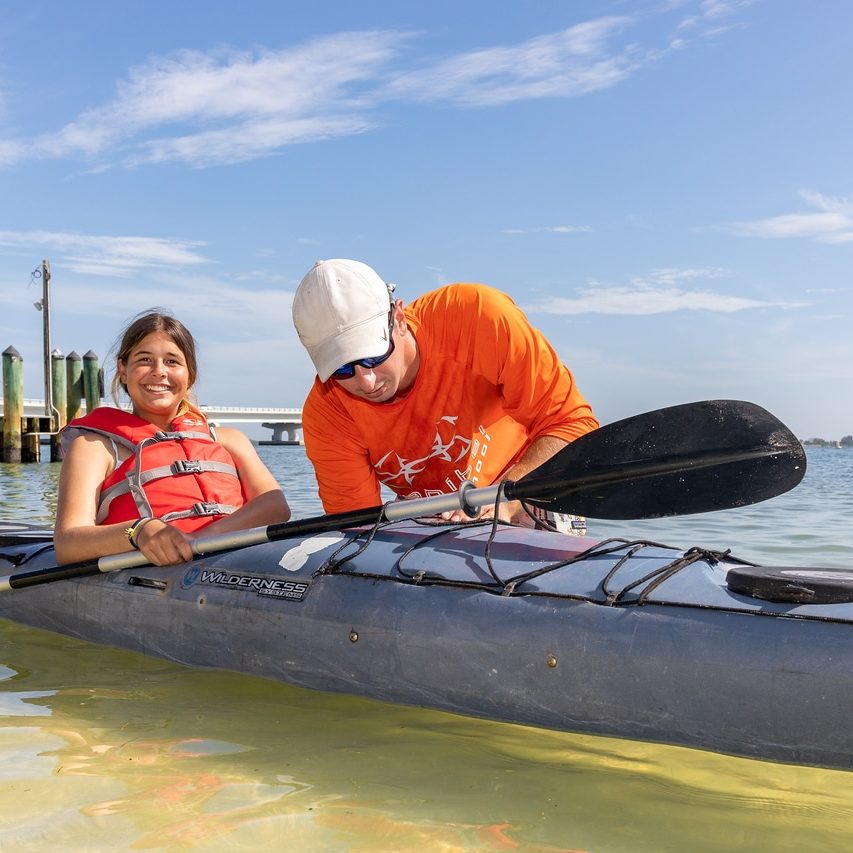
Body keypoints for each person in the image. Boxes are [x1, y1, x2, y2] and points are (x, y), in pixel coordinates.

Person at [291, 259, 598, 530]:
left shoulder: (477, 316)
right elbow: (357, 528)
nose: (367, 382)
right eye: (343, 369)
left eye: (374, 357)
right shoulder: (326, 414)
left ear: (398, 318)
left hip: (529, 489)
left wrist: (506, 499)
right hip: (428, 521)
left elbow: (573, 425)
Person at [54, 310, 290, 566]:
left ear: (191, 375)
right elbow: (68, 543)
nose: (159, 372)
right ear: (123, 370)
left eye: (172, 362)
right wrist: (139, 531)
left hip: (234, 558)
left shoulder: (228, 440)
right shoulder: (94, 448)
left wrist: (200, 540)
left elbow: (275, 505)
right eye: (145, 360)